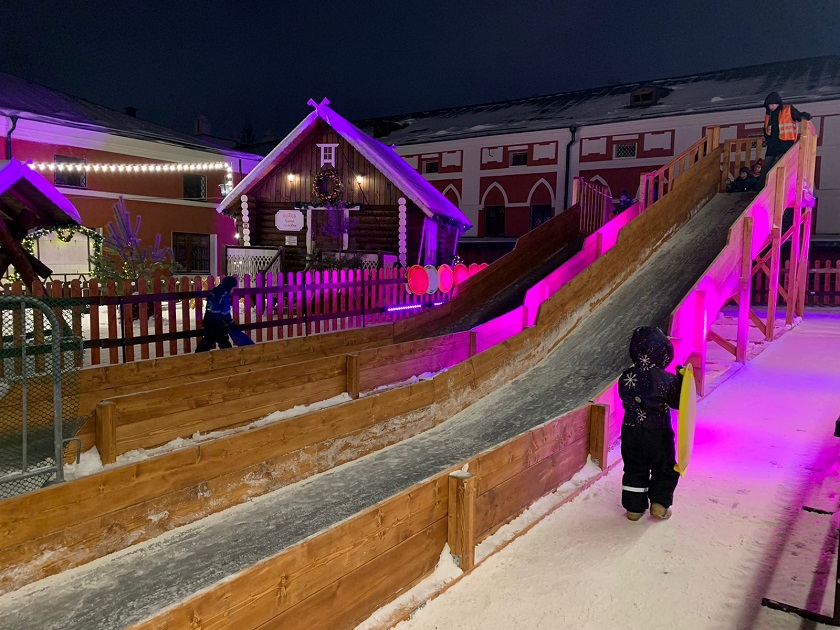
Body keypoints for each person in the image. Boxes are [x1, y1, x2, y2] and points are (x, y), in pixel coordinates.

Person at [618, 326, 684, 521]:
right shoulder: (665, 379)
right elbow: (678, 401)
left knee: (634, 467)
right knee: (663, 466)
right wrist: (682, 380)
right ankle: (659, 504)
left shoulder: (626, 376)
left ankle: (634, 508)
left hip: (631, 430)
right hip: (658, 431)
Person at [761, 92, 812, 180]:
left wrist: (804, 115)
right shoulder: (768, 114)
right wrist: (768, 140)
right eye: (769, 105)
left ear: (778, 103)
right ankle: (763, 184)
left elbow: (798, 116)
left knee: (784, 164)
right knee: (766, 166)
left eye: (772, 104)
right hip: (772, 144)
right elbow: (765, 129)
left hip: (785, 142)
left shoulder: (788, 109)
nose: (770, 107)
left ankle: (780, 181)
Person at [195, 275, 239, 352]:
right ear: (230, 287)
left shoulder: (215, 291)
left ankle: (198, 354)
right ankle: (227, 356)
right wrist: (231, 323)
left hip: (208, 320)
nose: (233, 290)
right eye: (233, 288)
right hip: (216, 323)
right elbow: (225, 312)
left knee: (209, 339)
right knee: (224, 342)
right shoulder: (224, 295)